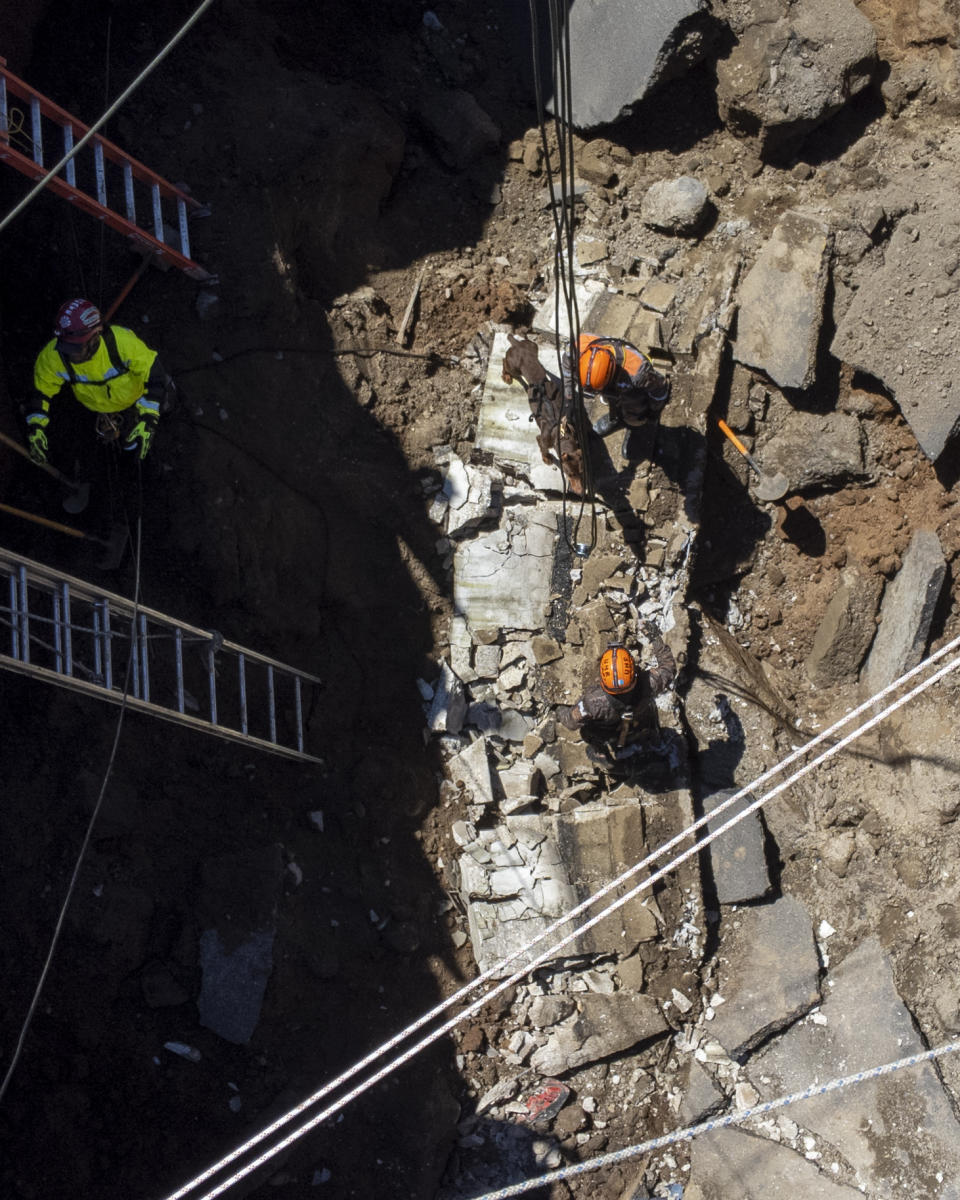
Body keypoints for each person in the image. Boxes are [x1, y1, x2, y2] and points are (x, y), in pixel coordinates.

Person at [26, 298, 170, 470]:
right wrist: (36, 426)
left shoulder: (122, 344)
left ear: (96, 335)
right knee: (130, 443)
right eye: (66, 347)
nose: (72, 356)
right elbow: (40, 391)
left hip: (137, 397)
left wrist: (149, 417)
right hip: (100, 407)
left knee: (167, 402)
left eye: (77, 348)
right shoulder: (53, 356)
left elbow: (154, 375)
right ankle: (133, 456)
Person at [557, 621, 676, 769]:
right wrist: (654, 637)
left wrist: (559, 710)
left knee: (586, 731)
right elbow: (668, 668)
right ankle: (652, 739)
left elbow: (570, 722)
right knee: (650, 711)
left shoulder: (593, 702)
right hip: (638, 720)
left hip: (609, 729)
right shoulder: (649, 684)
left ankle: (602, 754)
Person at [561, 333, 670, 459]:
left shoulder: (637, 372)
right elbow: (567, 369)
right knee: (611, 400)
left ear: (610, 375)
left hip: (633, 390)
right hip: (611, 386)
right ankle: (615, 417)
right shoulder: (577, 348)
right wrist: (569, 397)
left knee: (634, 411)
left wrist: (653, 411)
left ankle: (634, 424)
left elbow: (660, 390)